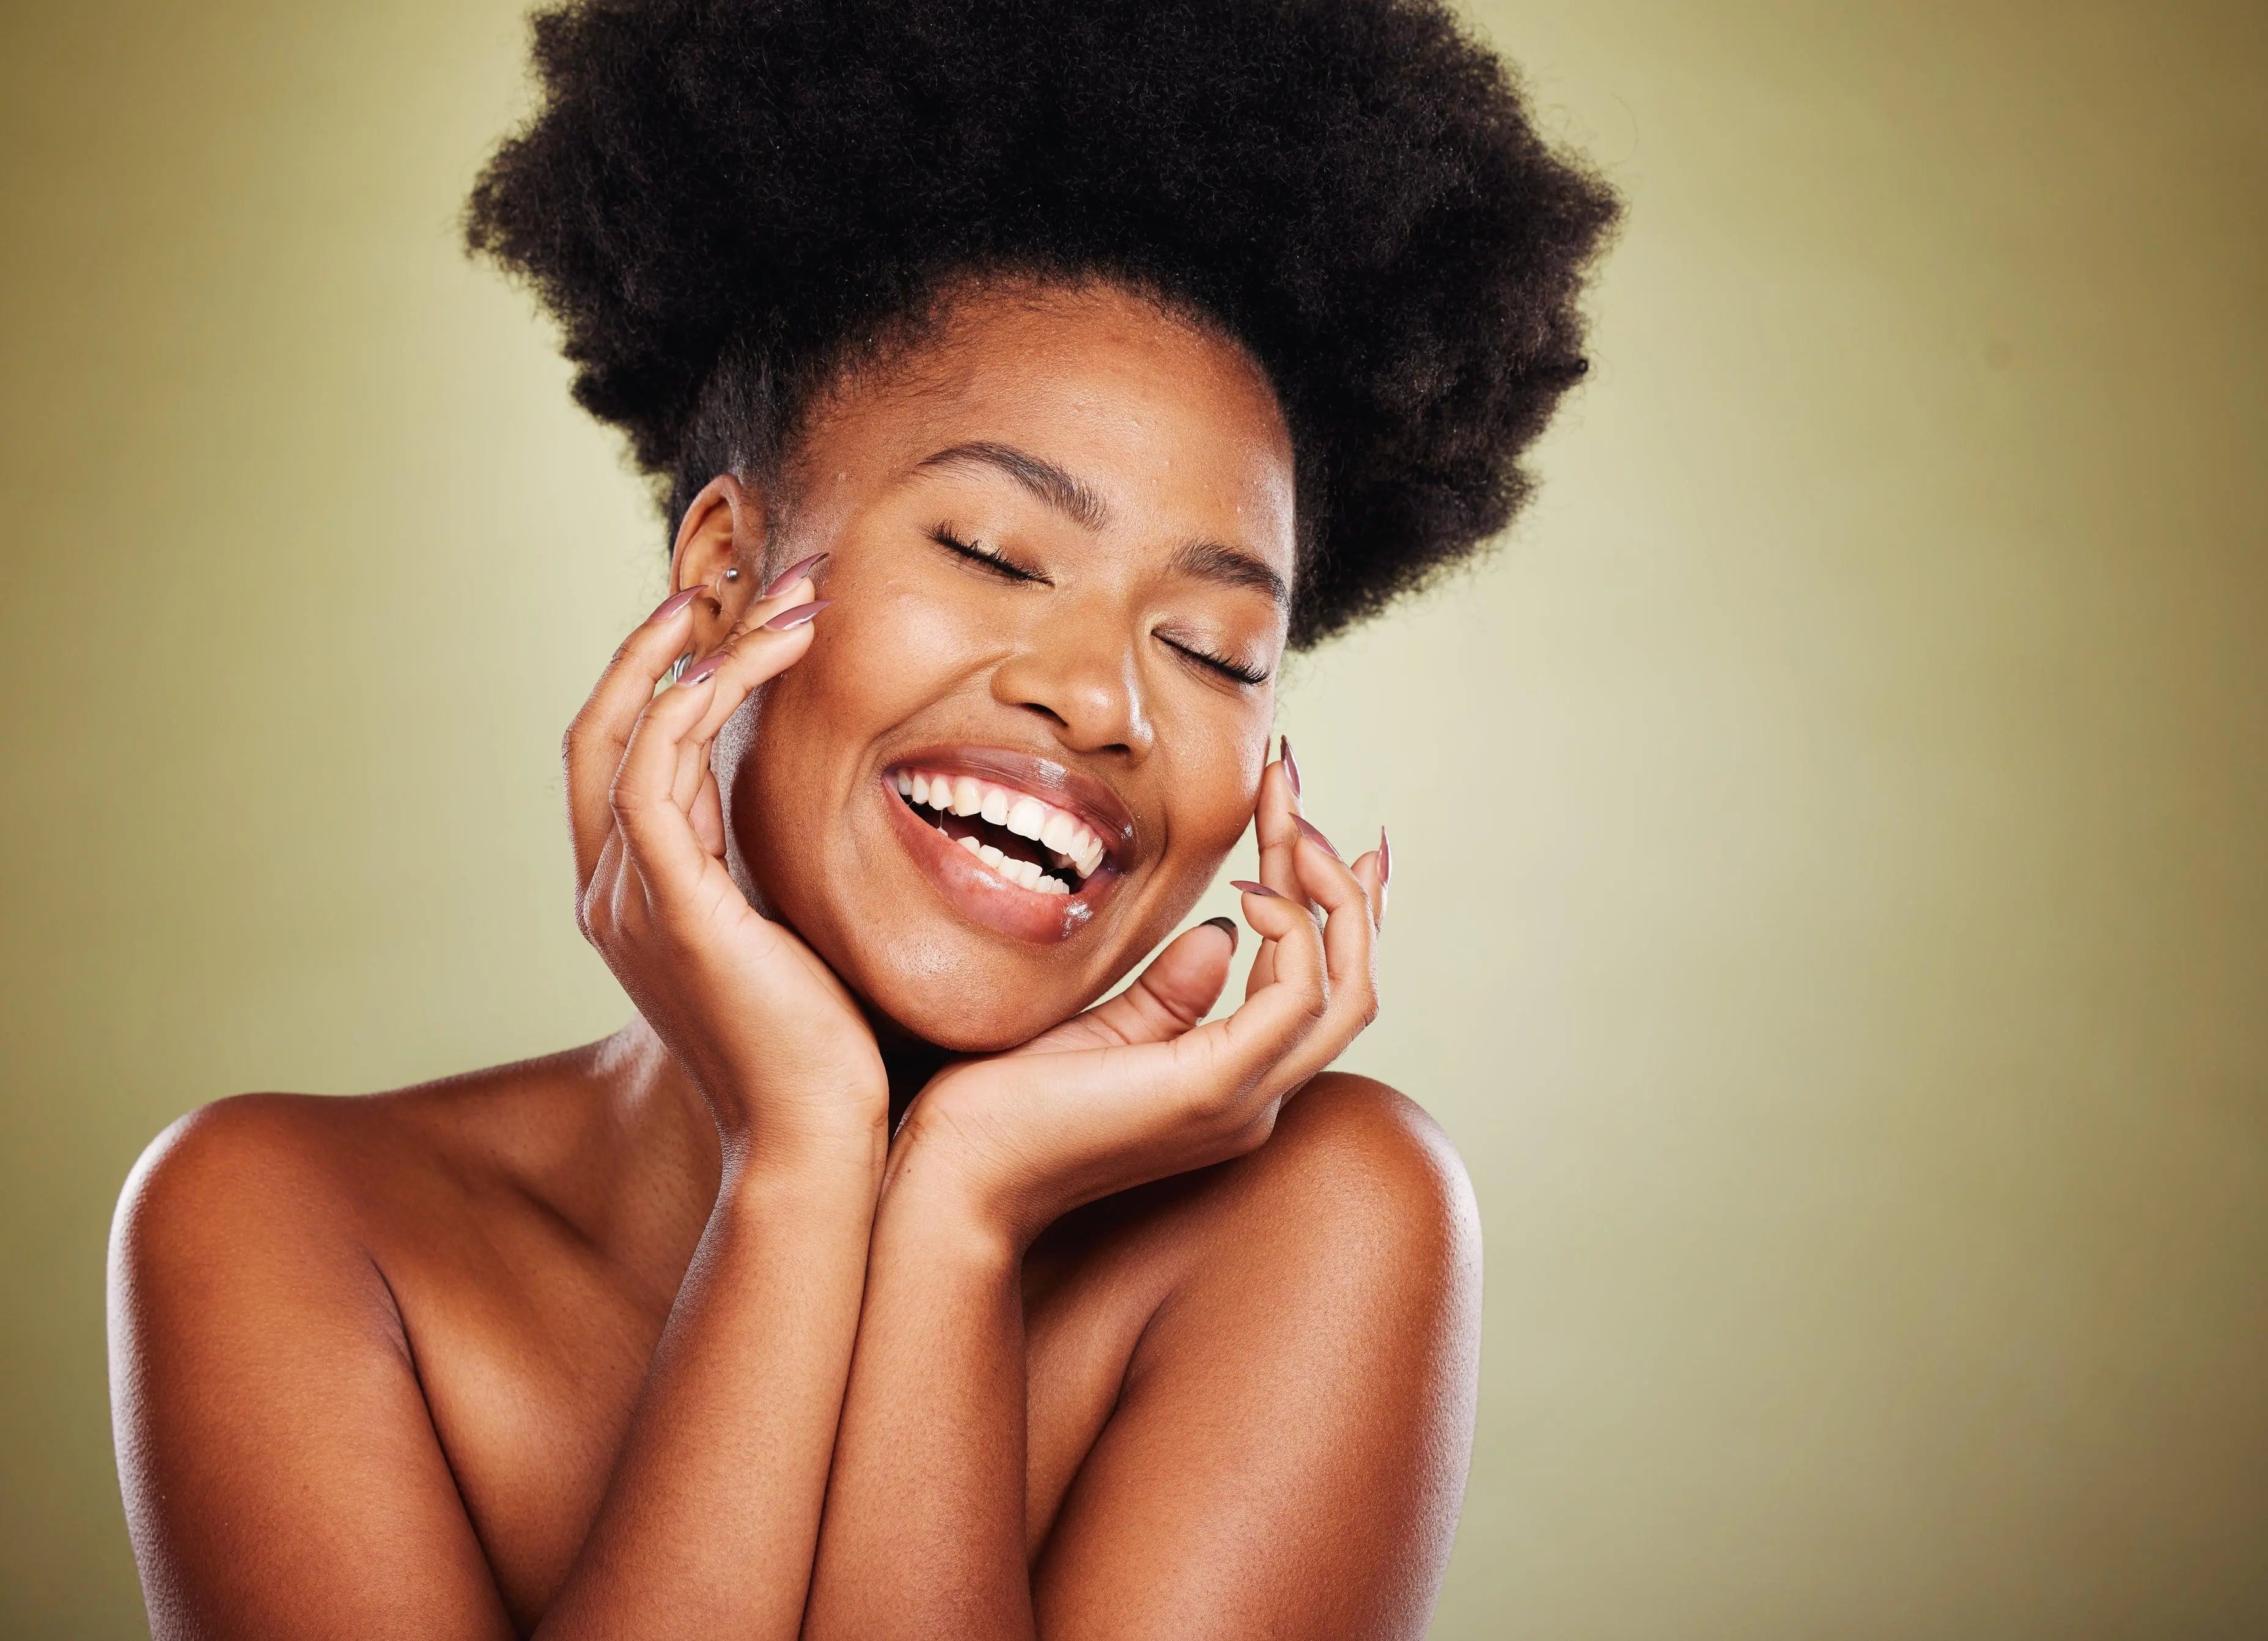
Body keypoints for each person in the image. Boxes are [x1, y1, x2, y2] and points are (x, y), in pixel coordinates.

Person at [105, 1, 1616, 1634]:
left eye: (1214, 649)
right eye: (991, 551)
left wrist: (959, 1213)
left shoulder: (1325, 1215)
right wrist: (803, 1159)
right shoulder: (287, 1225)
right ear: (720, 579)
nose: (1104, 699)